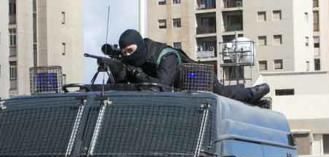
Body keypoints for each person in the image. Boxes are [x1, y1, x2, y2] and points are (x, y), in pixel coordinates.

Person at [113, 29, 270, 105]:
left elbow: (161, 87)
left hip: (194, 77)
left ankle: (252, 93)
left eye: (130, 51)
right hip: (177, 88)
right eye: (124, 53)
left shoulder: (166, 55)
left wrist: (137, 74)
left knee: (222, 92)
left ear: (139, 46)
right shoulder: (131, 61)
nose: (128, 56)